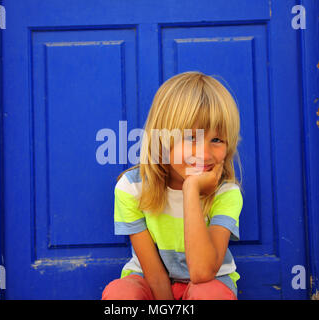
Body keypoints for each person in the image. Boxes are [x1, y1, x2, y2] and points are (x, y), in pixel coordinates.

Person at [102, 71, 243, 300]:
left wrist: (191, 190)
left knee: (210, 295)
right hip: (151, 282)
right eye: (191, 138)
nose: (204, 154)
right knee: (121, 294)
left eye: (216, 140)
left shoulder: (226, 194)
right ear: (162, 140)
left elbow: (202, 272)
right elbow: (155, 274)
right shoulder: (131, 188)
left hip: (208, 282)